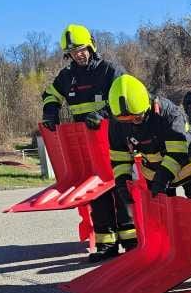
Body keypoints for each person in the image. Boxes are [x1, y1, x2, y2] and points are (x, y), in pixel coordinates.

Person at [41, 24, 131, 262]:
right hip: (88, 144)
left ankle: (131, 239)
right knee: (97, 192)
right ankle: (106, 244)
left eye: (81, 49)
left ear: (91, 46)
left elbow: (127, 95)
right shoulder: (67, 76)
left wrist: (102, 113)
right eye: (73, 52)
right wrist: (50, 112)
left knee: (122, 188)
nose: (78, 54)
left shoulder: (110, 70)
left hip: (115, 138)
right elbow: (51, 94)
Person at [107, 75, 191, 211]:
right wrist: (122, 186)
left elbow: (178, 151)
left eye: (137, 118)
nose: (132, 122)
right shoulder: (117, 122)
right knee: (163, 219)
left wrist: (162, 179)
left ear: (147, 106)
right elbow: (119, 158)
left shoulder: (169, 113)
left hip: (189, 168)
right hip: (154, 174)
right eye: (126, 120)